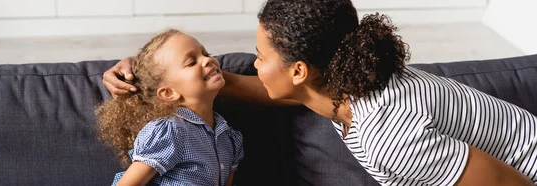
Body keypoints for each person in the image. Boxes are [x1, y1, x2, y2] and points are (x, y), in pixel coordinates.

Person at [103, 0, 537, 185]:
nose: (251, 63)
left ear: (298, 71)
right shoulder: (348, 83)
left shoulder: (389, 132)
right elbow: (260, 90)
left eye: (259, 55)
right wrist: (144, 74)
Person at [96, 29, 243, 186]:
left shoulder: (229, 138)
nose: (207, 60)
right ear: (168, 93)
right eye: (191, 62)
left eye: (206, 54)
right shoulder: (170, 131)